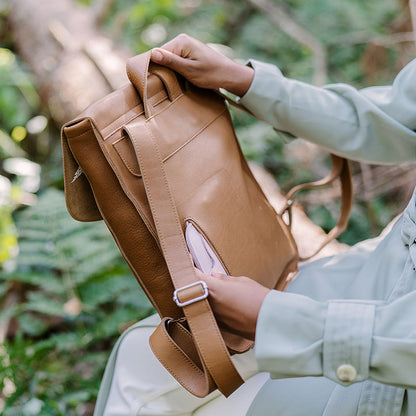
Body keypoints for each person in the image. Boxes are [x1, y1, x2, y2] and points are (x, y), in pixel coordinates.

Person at [94, 34, 416, 416]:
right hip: (367, 278)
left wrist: (273, 319)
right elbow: (393, 116)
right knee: (139, 357)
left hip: (388, 367)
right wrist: (243, 80)